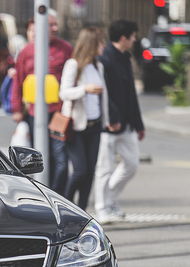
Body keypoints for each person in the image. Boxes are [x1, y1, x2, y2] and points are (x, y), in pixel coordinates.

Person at [10, 10, 73, 195]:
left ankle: (58, 195)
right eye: (51, 25)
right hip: (34, 114)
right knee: (38, 157)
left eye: (56, 25)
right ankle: (43, 195)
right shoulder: (27, 51)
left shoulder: (65, 48)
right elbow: (18, 81)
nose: (56, 28)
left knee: (60, 158)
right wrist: (16, 109)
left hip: (59, 113)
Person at [94, 20, 145, 224]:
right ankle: (102, 209)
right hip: (108, 124)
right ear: (123, 38)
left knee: (132, 163)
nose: (134, 40)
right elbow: (104, 93)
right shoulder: (103, 59)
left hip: (127, 123)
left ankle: (111, 199)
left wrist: (139, 123)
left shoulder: (125, 57)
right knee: (104, 169)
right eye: (133, 36)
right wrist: (111, 119)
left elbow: (131, 94)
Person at [59, 27, 115, 211]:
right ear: (91, 44)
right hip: (75, 125)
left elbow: (104, 97)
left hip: (95, 125)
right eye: (101, 42)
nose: (104, 45)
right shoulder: (73, 65)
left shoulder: (99, 65)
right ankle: (65, 207)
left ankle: (82, 211)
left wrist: (106, 120)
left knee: (90, 172)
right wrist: (85, 89)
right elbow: (63, 93)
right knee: (80, 171)